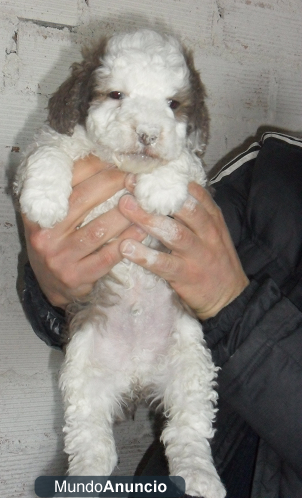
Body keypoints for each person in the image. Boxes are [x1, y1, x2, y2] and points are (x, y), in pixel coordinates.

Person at [21, 132, 302, 498]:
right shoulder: (273, 166)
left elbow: (214, 298)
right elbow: (164, 251)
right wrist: (56, 290)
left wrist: (235, 307)